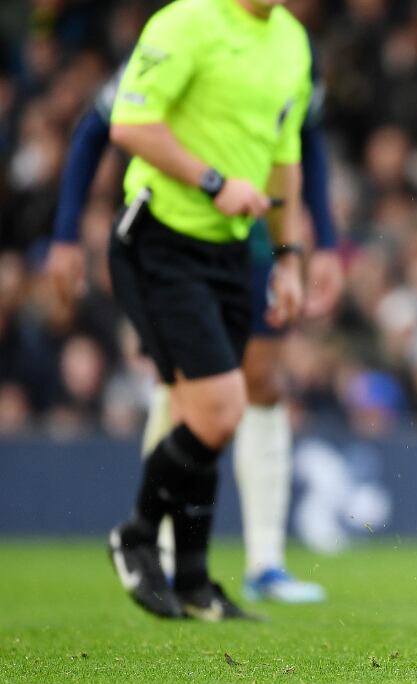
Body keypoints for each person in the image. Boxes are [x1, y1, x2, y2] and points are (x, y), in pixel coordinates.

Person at [48, 34, 342, 604]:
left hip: (252, 240)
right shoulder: (187, 29)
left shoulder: (291, 47)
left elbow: (304, 142)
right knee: (191, 391)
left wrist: (315, 246)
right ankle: (151, 542)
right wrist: (65, 233)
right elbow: (100, 126)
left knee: (257, 385)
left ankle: (262, 561)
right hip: (173, 235)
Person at [102, 0, 313, 620]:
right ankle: (136, 534)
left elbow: (285, 159)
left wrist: (290, 255)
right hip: (160, 237)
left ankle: (193, 583)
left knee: (205, 415)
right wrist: (214, 182)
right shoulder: (186, 21)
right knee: (220, 410)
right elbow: (129, 124)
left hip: (228, 250)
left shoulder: (292, 42)